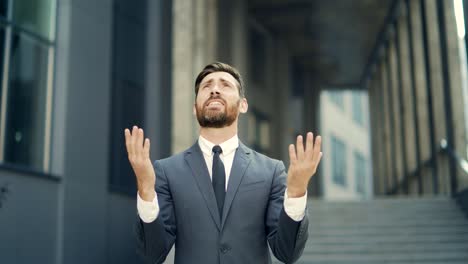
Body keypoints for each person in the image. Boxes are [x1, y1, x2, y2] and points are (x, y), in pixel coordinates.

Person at [125, 62, 322, 264]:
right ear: (195, 108)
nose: (215, 89)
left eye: (225, 85)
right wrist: (146, 190)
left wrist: (297, 191)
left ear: (243, 105)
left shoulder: (271, 171)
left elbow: (286, 252)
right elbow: (153, 253)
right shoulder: (167, 171)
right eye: (207, 86)